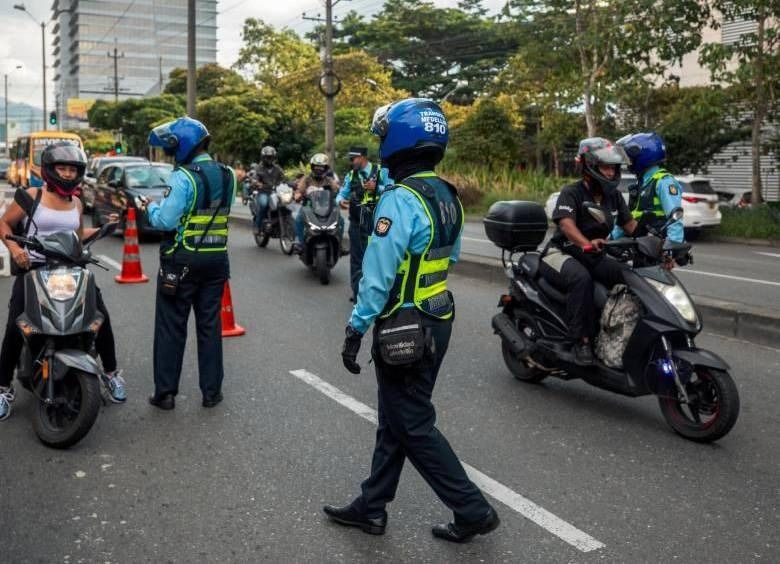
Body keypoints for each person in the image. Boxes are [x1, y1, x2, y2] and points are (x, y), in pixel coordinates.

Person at [325, 98, 500, 543]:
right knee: (396, 416)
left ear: (398, 142)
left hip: (404, 325)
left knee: (412, 423)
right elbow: (450, 256)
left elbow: (377, 277)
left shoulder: (400, 200)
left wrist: (355, 328)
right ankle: (372, 506)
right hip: (438, 315)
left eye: (383, 137)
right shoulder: (449, 197)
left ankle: (472, 508)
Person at [0, 143, 126, 420]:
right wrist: (16, 250)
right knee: (16, 326)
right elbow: (4, 224)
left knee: (99, 318)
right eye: (63, 168)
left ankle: (111, 373)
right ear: (50, 169)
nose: (68, 174)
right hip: (34, 269)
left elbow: (76, 236)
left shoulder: (77, 203)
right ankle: (3, 387)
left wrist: (107, 227)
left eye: (73, 169)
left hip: (70, 269)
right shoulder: (32, 195)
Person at [141, 117, 237, 410]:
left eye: (172, 148)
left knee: (172, 326)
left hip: (181, 261)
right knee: (210, 327)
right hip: (216, 261)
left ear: (182, 146)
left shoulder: (183, 177)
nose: (171, 155)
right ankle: (212, 392)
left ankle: (166, 393)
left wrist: (150, 206)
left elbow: (165, 220)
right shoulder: (228, 173)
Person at [539, 137, 639, 365]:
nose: (611, 173)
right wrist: (585, 242)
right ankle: (580, 341)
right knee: (580, 279)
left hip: (593, 254)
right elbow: (566, 224)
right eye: (606, 167)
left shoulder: (613, 196)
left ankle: (618, 334)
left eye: (614, 168)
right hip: (561, 252)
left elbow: (631, 226)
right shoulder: (571, 192)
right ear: (589, 167)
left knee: (625, 275)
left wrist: (660, 246)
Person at [336, 147, 391, 301]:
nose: (352, 161)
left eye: (354, 158)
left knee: (377, 259)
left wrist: (377, 188)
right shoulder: (351, 175)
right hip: (356, 224)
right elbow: (341, 193)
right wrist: (340, 200)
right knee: (356, 259)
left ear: (363, 157)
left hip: (377, 224)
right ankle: (358, 293)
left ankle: (378, 293)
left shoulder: (380, 171)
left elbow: (394, 190)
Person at [614, 132, 684, 243]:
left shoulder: (663, 181)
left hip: (660, 248)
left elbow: (675, 218)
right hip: (642, 245)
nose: (628, 163)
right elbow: (629, 218)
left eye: (631, 159)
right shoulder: (641, 184)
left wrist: (672, 248)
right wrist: (609, 239)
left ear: (643, 157)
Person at [292, 153, 343, 252]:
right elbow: (299, 190)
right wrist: (297, 194)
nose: (318, 169)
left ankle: (339, 244)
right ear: (312, 167)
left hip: (328, 206)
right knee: (298, 219)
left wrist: (340, 194)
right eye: (316, 167)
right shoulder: (306, 179)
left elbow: (337, 190)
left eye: (321, 167)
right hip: (309, 205)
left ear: (326, 168)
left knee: (341, 220)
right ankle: (299, 242)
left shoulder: (329, 180)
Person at [251, 146, 286, 235]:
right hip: (264, 192)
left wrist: (292, 182)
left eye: (271, 157)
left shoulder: (277, 168)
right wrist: (257, 183)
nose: (270, 159)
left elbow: (284, 177)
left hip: (277, 192)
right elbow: (254, 178)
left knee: (287, 203)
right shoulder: (259, 168)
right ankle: (257, 226)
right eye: (268, 157)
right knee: (264, 204)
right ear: (263, 157)